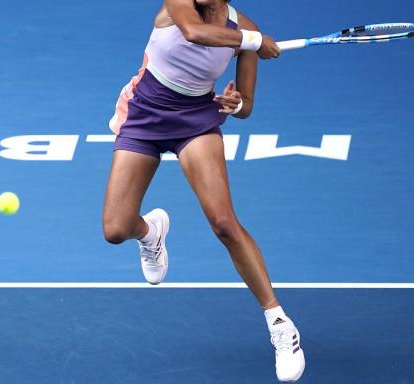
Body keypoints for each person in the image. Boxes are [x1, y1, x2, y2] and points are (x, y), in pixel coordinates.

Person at [102, 0, 304, 381]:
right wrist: (255, 40)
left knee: (224, 222)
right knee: (115, 229)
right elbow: (195, 33)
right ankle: (150, 232)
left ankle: (280, 323)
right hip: (145, 114)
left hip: (195, 119)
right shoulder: (179, 6)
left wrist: (236, 102)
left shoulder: (243, 28)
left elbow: (245, 106)